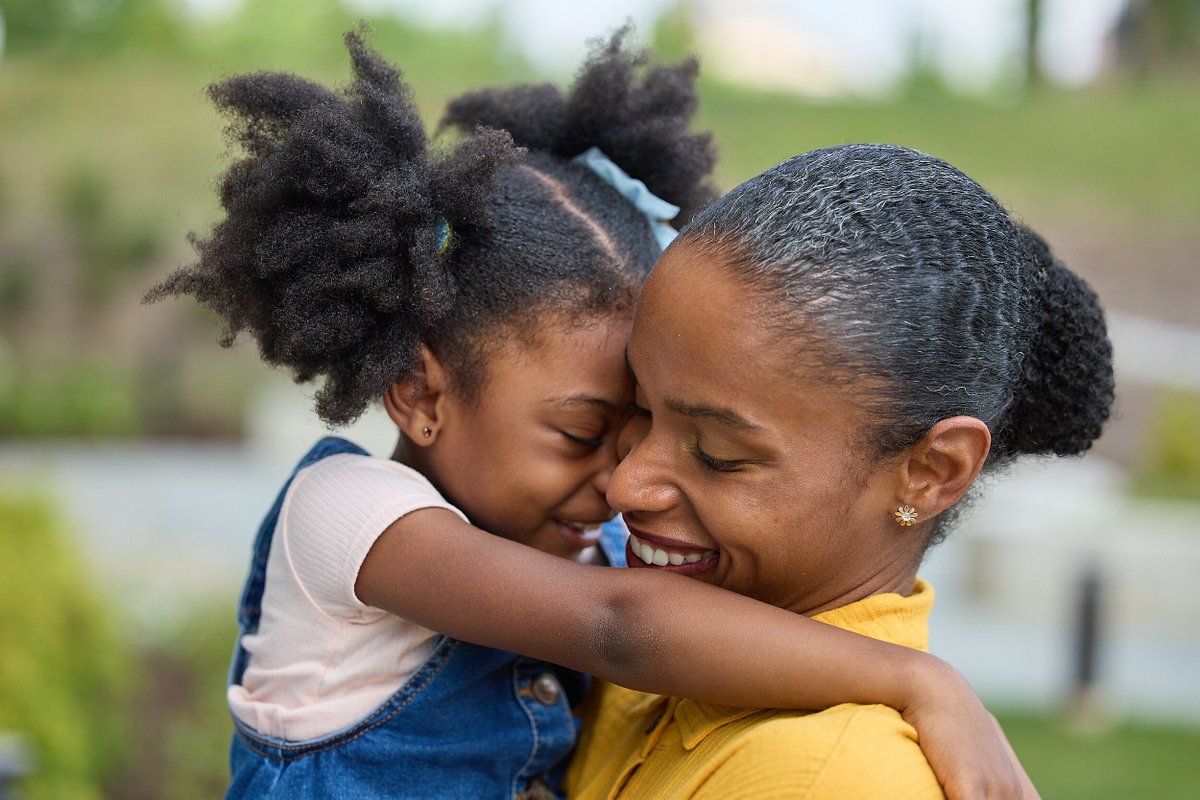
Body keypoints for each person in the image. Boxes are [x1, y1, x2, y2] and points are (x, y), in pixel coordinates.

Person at [146, 29, 1032, 800]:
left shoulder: (598, 556)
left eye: (642, 423)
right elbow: (616, 625)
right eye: (580, 433)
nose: (623, 482)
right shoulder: (349, 517)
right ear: (420, 394)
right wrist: (921, 684)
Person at [564, 142, 1114, 799]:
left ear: (931, 472)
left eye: (718, 453)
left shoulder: (830, 777)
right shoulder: (660, 653)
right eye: (637, 410)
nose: (626, 484)